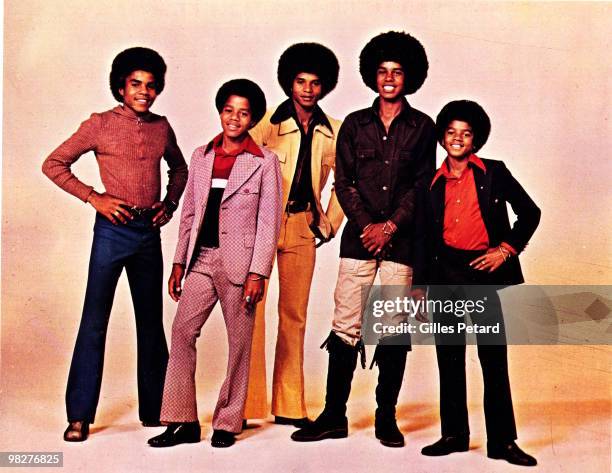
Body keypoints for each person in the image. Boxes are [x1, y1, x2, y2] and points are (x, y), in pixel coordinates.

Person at [291, 31, 436, 447]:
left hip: (402, 243)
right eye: (382, 72)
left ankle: (385, 418)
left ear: (409, 78)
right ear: (372, 76)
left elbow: (422, 185)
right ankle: (333, 415)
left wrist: (390, 227)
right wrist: (368, 226)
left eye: (397, 72)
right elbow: (344, 181)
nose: (389, 79)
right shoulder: (355, 124)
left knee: (392, 329)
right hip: (358, 241)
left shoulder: (422, 127)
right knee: (345, 326)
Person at [42, 47, 188, 442]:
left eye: (151, 85)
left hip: (148, 234)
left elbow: (180, 168)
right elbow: (53, 164)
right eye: (136, 84)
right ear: (121, 87)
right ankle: (79, 415)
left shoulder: (161, 126)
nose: (144, 91)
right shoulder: (100, 124)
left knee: (150, 323)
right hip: (112, 231)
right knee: (94, 320)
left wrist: (169, 205)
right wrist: (95, 197)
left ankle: (157, 407)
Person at [147, 79, 282, 449]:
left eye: (243, 112)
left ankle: (227, 420)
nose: (234, 118)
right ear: (220, 111)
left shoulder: (264, 162)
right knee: (181, 333)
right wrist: (178, 264)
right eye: (228, 110)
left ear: (252, 118)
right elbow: (189, 213)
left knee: (240, 343)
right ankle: (181, 421)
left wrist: (259, 272)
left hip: (240, 266)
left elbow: (269, 222)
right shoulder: (201, 155)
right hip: (201, 261)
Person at [415, 100, 540, 466]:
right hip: (443, 276)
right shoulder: (428, 183)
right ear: (442, 138)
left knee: (492, 357)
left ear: (475, 140)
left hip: (483, 274)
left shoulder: (494, 173)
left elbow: (530, 212)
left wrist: (506, 249)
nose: (457, 139)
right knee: (449, 357)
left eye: (465, 134)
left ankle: (503, 442)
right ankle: (454, 435)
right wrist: (420, 287)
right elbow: (422, 237)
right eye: (451, 133)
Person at [244, 42, 344, 427]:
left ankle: (288, 405)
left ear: (324, 87)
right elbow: (240, 165)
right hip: (260, 225)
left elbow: (345, 181)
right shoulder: (265, 123)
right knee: (250, 310)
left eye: (315, 83)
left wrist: (330, 222)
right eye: (300, 81)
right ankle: (247, 405)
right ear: (288, 82)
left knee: (294, 315)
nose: (307, 89)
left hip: (303, 225)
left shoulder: (333, 131)